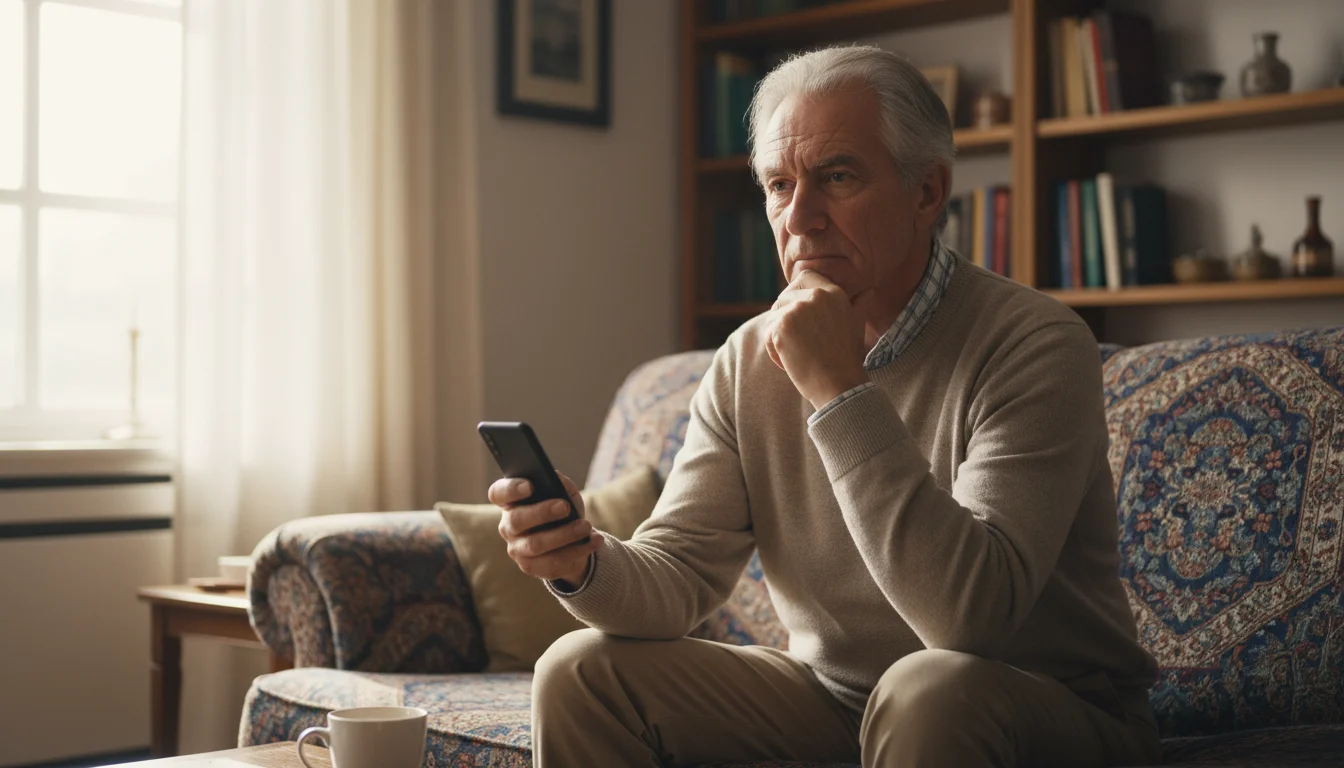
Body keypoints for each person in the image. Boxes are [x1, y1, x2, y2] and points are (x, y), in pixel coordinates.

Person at [488, 45, 1160, 768]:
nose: (801, 218)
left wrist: (839, 391)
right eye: (780, 185)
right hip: (835, 701)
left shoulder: (1035, 344)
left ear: (927, 192)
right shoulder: (748, 358)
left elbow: (969, 619)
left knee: (929, 688)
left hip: (1035, 705)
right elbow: (678, 571)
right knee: (580, 672)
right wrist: (580, 561)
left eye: (837, 177)